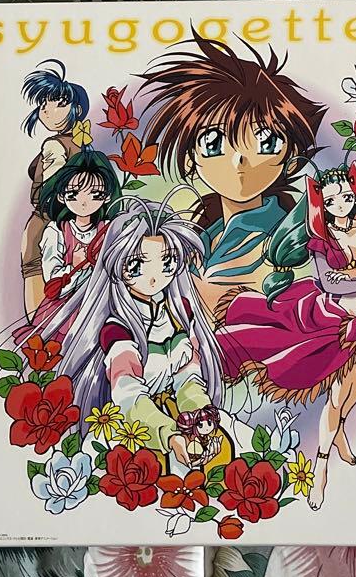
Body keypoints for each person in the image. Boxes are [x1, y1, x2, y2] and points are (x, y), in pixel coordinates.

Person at [217, 162, 356, 510]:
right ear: (322, 204)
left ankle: (340, 434)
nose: (340, 205)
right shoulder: (321, 240)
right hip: (337, 313)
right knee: (337, 393)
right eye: (331, 201)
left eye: (346, 197)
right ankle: (321, 465)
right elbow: (327, 282)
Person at [138, 35, 325, 318]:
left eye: (265, 143)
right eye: (213, 142)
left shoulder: (290, 238)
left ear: (291, 157)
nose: (239, 158)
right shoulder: (199, 234)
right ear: (190, 158)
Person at [55, 196, 231, 472]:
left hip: (175, 414)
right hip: (135, 424)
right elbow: (129, 397)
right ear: (117, 266)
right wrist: (168, 436)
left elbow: (188, 377)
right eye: (137, 266)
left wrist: (200, 418)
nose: (154, 278)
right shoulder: (117, 329)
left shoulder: (179, 314)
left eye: (167, 263)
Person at [12, 148, 121, 344]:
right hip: (64, 310)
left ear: (107, 196)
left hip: (100, 304)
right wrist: (75, 267)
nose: (84, 201)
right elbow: (53, 282)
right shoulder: (56, 232)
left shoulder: (108, 229)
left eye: (95, 194)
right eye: (74, 194)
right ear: (61, 196)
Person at [20, 60, 90, 318]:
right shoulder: (82, 143)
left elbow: (50, 188)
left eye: (59, 103)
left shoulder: (54, 145)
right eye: (43, 104)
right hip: (75, 217)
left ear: (76, 109)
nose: (47, 110)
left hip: (47, 218)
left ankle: (36, 325)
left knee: (34, 268)